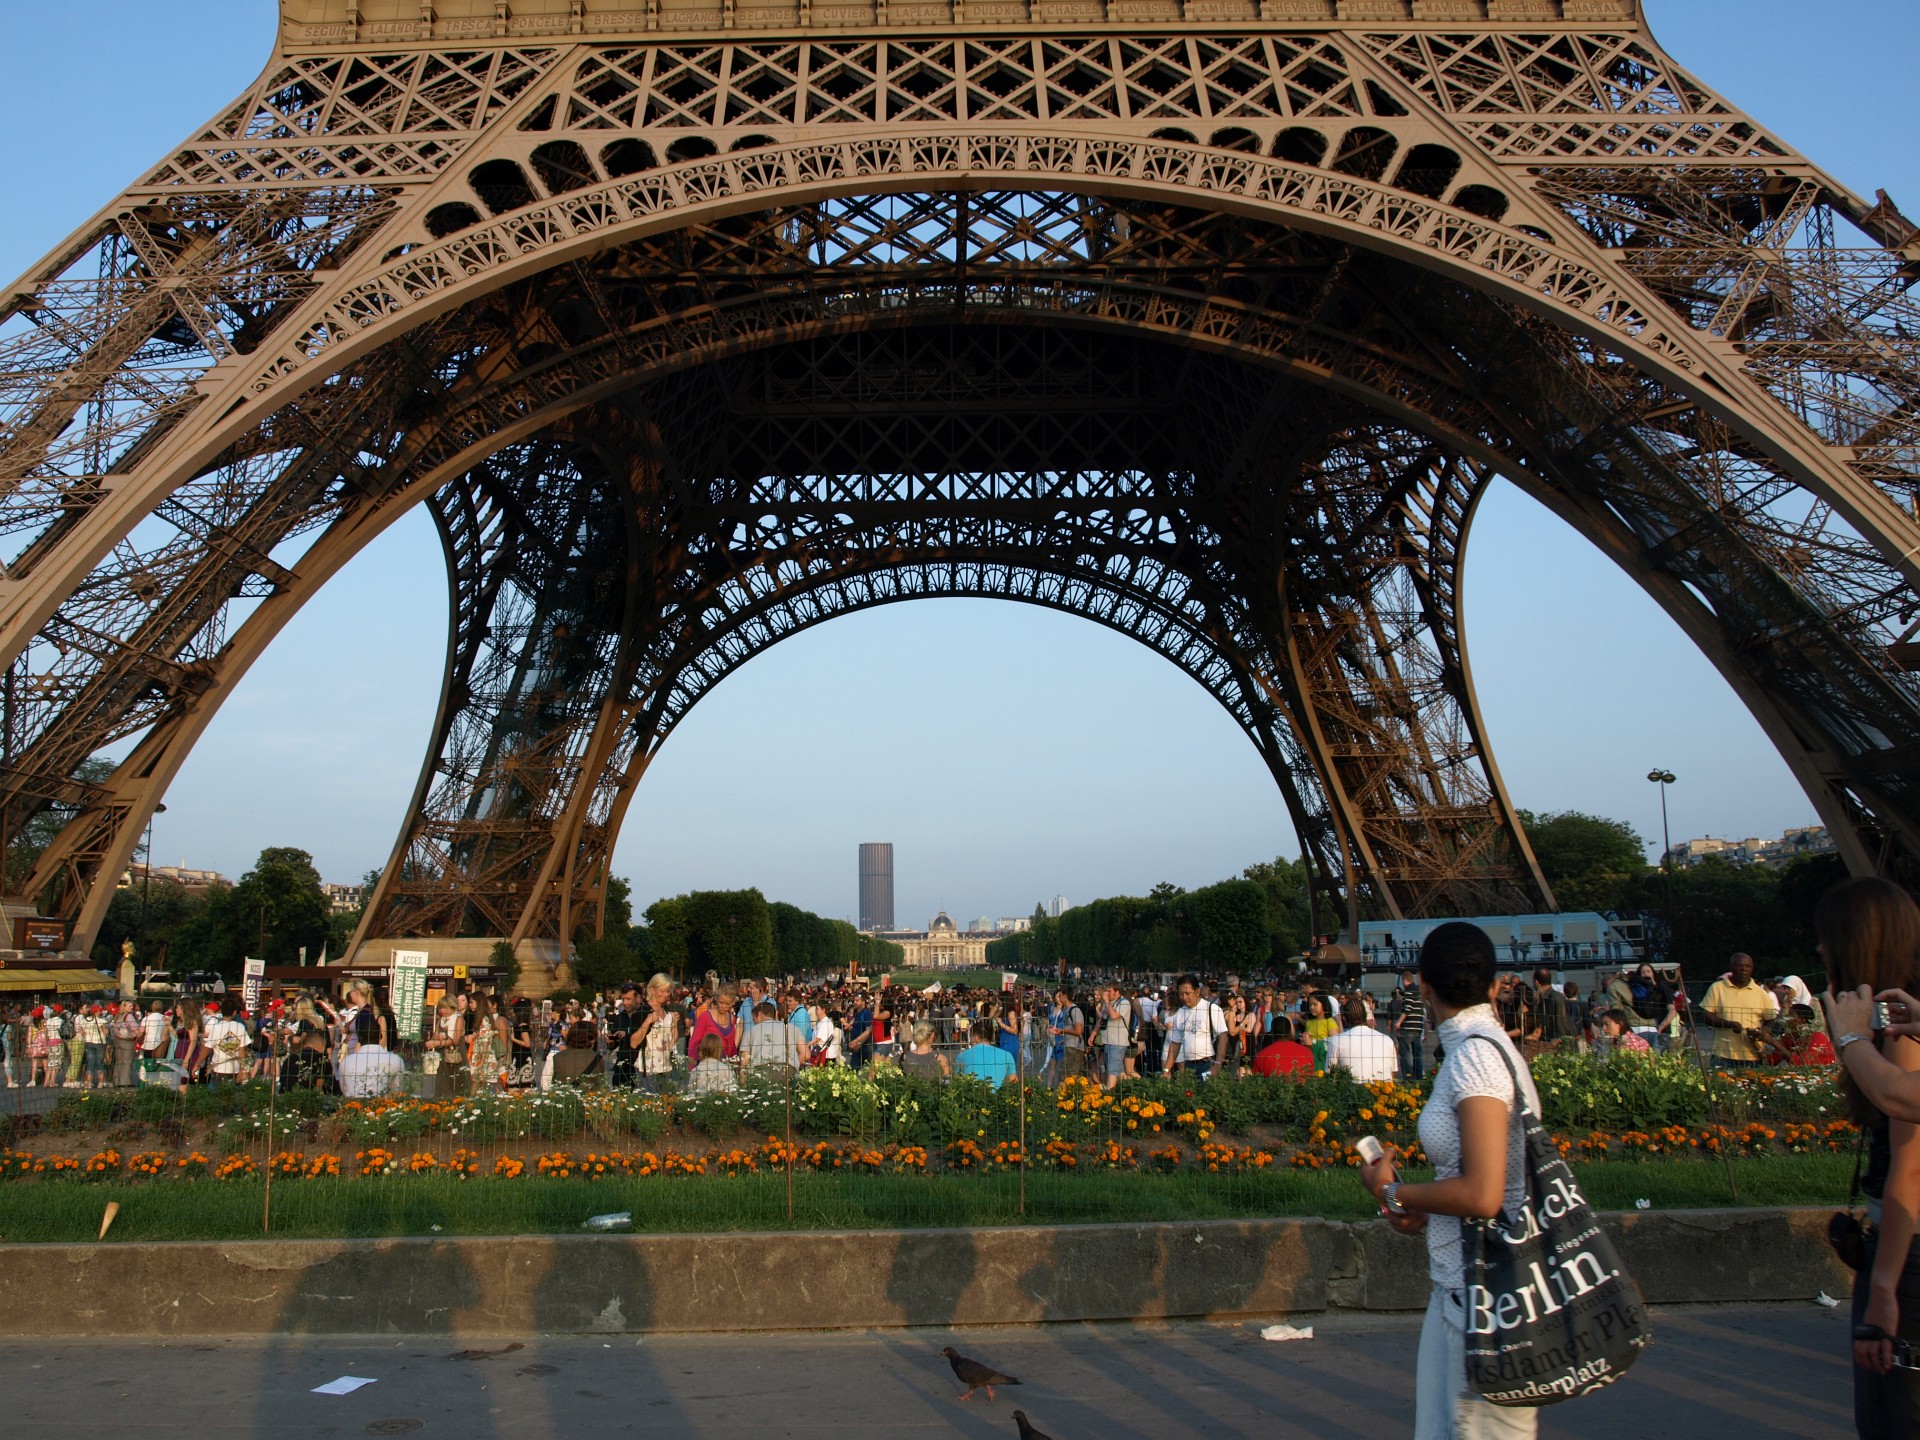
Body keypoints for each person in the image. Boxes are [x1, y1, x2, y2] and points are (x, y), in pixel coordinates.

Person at [1357, 920, 1540, 1440]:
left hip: (1485, 1294)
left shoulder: (1477, 1058)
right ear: (1496, 984)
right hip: (1463, 1286)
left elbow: (1482, 1194)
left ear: (1421, 985)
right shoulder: (1484, 1049)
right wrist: (1421, 1203)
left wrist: (1390, 1191)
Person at [1807, 878, 1920, 1435]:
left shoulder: (1898, 1037)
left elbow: (1910, 1175)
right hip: (1902, 1256)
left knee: (1892, 1416)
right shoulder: (1904, 1023)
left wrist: (1883, 1292)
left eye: (1828, 938)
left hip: (1907, 1259)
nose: (1821, 951)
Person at [1700, 952, 1779, 1066]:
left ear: (1752, 969)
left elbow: (1771, 1019)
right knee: (1720, 1084)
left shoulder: (1760, 993)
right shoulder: (1717, 988)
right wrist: (1729, 1024)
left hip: (1752, 1055)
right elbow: (1706, 1016)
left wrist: (1765, 1030)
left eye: (1748, 966)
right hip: (1723, 1055)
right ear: (1731, 967)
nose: (1743, 969)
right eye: (1739, 965)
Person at [1162, 975, 1227, 1081]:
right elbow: (1175, 1044)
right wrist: (1166, 1070)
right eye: (1181, 994)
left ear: (1197, 991)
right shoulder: (1180, 1013)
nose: (1184, 997)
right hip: (1188, 1065)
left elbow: (1223, 1037)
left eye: (1187, 993)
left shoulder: (1212, 1009)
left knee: (1206, 1094)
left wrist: (1218, 1064)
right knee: (1189, 1095)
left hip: (1207, 1063)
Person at [1324, 997, 1397, 1083]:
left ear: (1344, 1018)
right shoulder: (1387, 1039)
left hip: (1351, 1092)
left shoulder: (1337, 1040)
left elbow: (1330, 1074)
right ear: (1365, 1015)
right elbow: (1392, 1075)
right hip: (1382, 1092)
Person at [338, 1009, 407, 1097]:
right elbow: (397, 1090)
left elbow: (344, 1089)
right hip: (383, 1107)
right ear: (380, 1036)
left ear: (360, 1038)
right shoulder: (396, 1060)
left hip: (353, 1107)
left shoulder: (346, 1062)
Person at [743, 1000, 808, 1071]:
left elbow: (744, 1062)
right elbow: (806, 1054)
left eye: (754, 1019)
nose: (754, 1022)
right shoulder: (792, 1028)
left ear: (760, 1014)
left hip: (760, 1074)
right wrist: (793, 1065)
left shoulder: (749, 1032)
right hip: (788, 1072)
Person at [955, 1018, 1016, 1084]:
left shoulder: (961, 1056)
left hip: (971, 1092)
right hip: (998, 1093)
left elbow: (956, 1079)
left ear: (976, 1038)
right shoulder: (1007, 1055)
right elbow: (1013, 1080)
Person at [1095, 983, 1131, 1091]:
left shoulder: (1124, 1003)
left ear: (1117, 992)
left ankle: (1109, 1093)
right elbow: (1102, 1020)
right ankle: (1132, 1087)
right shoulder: (1109, 1004)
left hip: (1118, 1042)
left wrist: (1106, 1002)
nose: (1106, 993)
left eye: (1109, 991)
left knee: (1112, 1070)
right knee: (1119, 1071)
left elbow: (1114, 1016)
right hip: (1108, 1041)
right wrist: (1094, 1034)